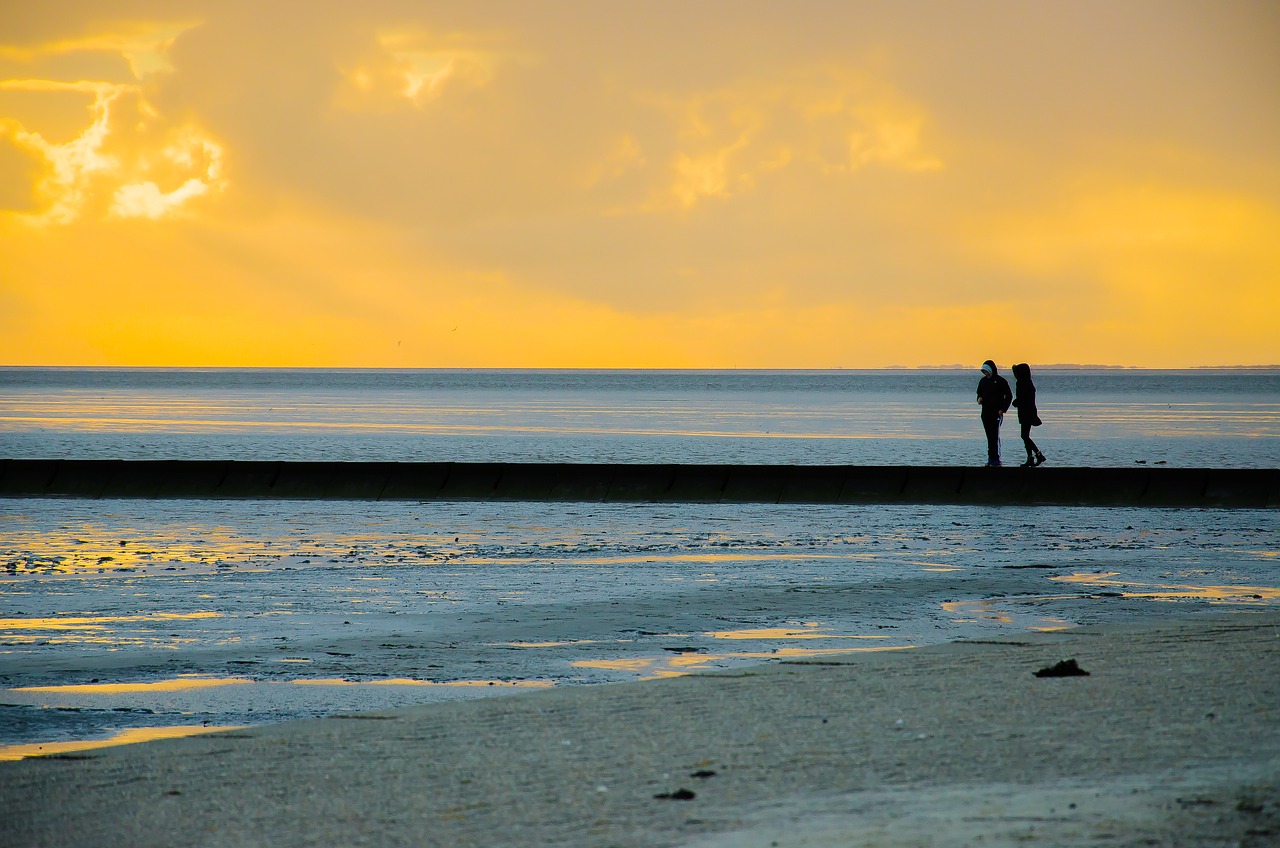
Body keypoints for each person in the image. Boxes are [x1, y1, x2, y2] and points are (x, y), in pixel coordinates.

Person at [976, 360, 1012, 466]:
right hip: (985, 413)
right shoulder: (983, 381)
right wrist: (979, 399)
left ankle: (996, 458)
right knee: (989, 437)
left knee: (995, 436)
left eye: (987, 371)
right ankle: (990, 458)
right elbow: (979, 393)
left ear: (992, 370)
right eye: (984, 372)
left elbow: (1009, 396)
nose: (986, 374)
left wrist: (1003, 409)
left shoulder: (1001, 381)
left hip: (996, 413)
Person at [1011, 363, 1047, 467]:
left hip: (1026, 412)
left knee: (1024, 436)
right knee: (1025, 436)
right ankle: (1031, 458)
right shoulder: (1028, 382)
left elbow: (1023, 398)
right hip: (1028, 411)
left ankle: (1038, 455)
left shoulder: (1022, 383)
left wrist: (1016, 402)